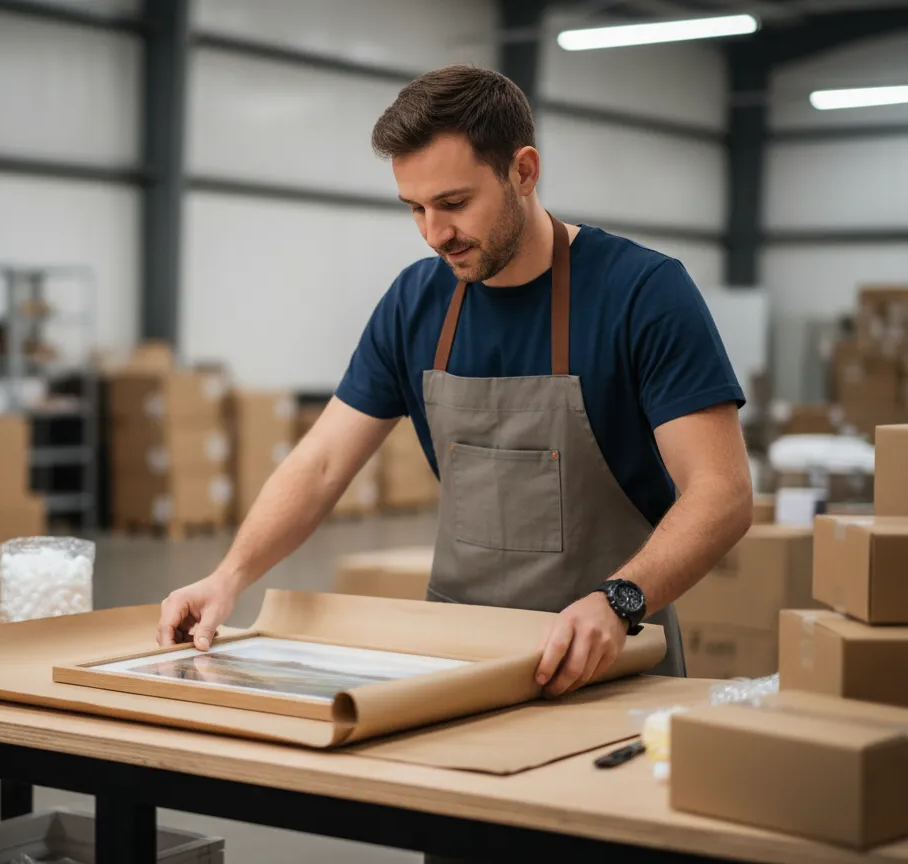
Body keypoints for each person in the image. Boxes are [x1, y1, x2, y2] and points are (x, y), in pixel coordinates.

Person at [158, 64, 752, 699]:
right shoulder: (414, 303)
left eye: (454, 203)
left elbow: (721, 493)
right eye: (414, 208)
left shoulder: (642, 293)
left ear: (523, 171)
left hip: (612, 659)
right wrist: (228, 576)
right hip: (459, 660)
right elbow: (323, 463)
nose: (434, 233)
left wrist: (619, 601)